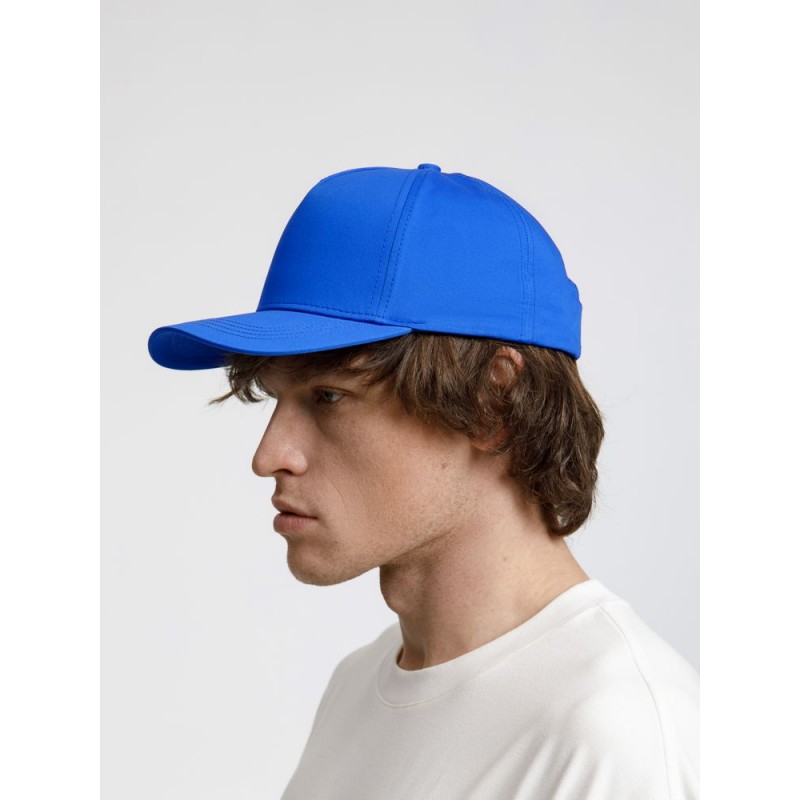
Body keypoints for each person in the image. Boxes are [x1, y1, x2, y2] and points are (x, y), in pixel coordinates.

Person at [148, 162, 699, 799]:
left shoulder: (620, 737)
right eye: (275, 399)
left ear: (494, 402)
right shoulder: (359, 688)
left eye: (328, 396)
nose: (269, 455)